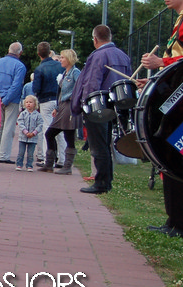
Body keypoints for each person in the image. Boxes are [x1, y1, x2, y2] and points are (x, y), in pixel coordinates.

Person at [140, 0, 183, 243]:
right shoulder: (182, 20)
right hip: (178, 100)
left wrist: (160, 63)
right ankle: (174, 221)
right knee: (168, 158)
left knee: (180, 159)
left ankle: (182, 224)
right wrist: (157, 80)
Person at [70, 25, 131, 194]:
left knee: (98, 146)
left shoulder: (98, 56)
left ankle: (101, 182)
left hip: (99, 106)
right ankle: (106, 180)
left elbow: (92, 82)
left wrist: (85, 104)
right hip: (117, 105)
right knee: (106, 145)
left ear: (95, 39)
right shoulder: (123, 56)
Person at [39, 49, 80, 175]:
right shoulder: (65, 73)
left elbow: (80, 87)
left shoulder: (75, 72)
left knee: (68, 135)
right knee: (50, 134)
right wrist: (57, 107)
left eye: (62, 57)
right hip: (62, 106)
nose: (60, 60)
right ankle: (50, 164)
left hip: (70, 107)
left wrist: (73, 98)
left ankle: (66, 166)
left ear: (69, 59)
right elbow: (61, 92)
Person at [32, 41, 65, 166]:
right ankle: (62, 159)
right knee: (60, 130)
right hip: (59, 99)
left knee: (47, 128)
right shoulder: (60, 66)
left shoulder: (39, 69)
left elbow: (36, 88)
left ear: (38, 54)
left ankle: (48, 159)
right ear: (50, 52)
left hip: (46, 100)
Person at [0, 42, 26, 164]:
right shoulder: (20, 66)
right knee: (9, 127)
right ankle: (4, 155)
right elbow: (16, 85)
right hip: (12, 100)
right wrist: (6, 99)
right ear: (20, 53)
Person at [15, 95, 42, 172]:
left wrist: (34, 133)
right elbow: (20, 123)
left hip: (33, 138)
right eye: (27, 102)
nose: (28, 104)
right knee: (21, 152)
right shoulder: (23, 114)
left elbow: (40, 125)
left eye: (30, 102)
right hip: (23, 137)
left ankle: (29, 165)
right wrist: (25, 132)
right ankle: (19, 164)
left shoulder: (38, 115)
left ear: (35, 104)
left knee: (30, 153)